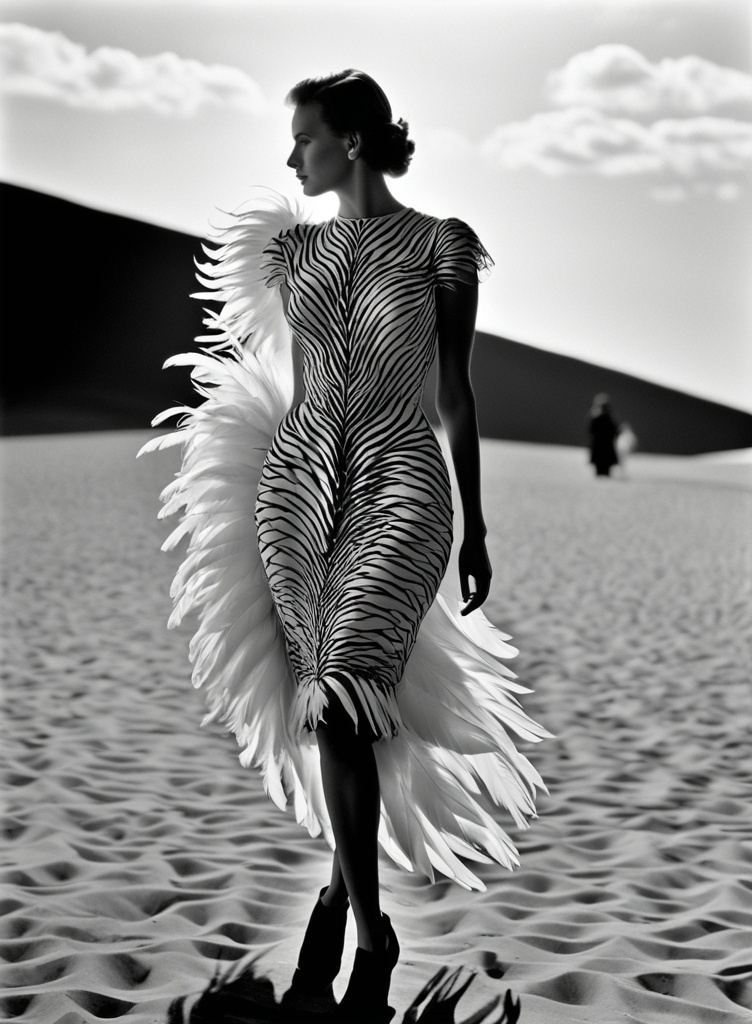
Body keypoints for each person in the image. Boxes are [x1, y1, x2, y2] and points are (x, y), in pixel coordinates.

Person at [141, 69, 549, 1023]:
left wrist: (476, 522)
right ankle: (343, 892)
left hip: (405, 483)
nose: (292, 158)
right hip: (297, 486)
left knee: (349, 687)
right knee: (333, 709)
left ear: (352, 142)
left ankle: (372, 932)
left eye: (305, 138)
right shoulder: (289, 253)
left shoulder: (443, 248)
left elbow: (456, 395)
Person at [587, 392, 619, 478]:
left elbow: (591, 430)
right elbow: (615, 431)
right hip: (606, 447)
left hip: (599, 447)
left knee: (600, 471)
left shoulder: (596, 418)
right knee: (605, 471)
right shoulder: (608, 418)